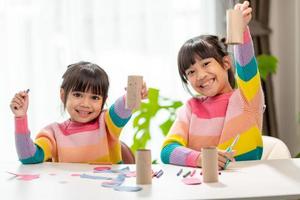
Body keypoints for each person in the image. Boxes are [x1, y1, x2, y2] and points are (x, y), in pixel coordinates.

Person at [161, 1, 264, 169]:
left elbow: (246, 67)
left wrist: (241, 29)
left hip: (246, 187)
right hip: (204, 188)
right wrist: (200, 158)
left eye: (206, 64)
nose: (200, 75)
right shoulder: (191, 109)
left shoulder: (246, 98)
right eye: (191, 72)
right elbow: (167, 150)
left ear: (226, 63)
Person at [10, 61, 148, 164]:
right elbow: (28, 157)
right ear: (63, 95)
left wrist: (132, 95)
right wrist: (20, 117)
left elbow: (121, 109)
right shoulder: (53, 133)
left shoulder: (107, 122)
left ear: (103, 100)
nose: (85, 104)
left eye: (94, 97)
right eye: (78, 95)